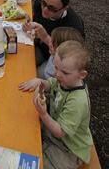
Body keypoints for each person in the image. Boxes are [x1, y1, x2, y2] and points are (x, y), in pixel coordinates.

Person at [21, 40, 93, 169]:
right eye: (56, 67)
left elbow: (60, 132)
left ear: (82, 75)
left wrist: (43, 114)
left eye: (64, 72)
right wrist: (40, 83)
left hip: (70, 149)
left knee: (39, 163)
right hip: (55, 134)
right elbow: (51, 83)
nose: (57, 74)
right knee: (24, 131)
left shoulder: (77, 102)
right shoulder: (65, 80)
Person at [23, 0, 84, 66]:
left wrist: (46, 38)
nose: (44, 9)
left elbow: (70, 58)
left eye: (52, 8)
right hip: (35, 44)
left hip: (53, 59)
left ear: (65, 8)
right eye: (43, 3)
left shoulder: (73, 28)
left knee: (25, 65)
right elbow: (34, 25)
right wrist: (29, 24)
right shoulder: (38, 4)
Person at [19, 27, 84, 85]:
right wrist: (40, 29)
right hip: (44, 75)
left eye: (53, 44)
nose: (49, 44)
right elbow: (46, 37)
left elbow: (54, 88)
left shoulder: (62, 71)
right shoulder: (57, 54)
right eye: (51, 41)